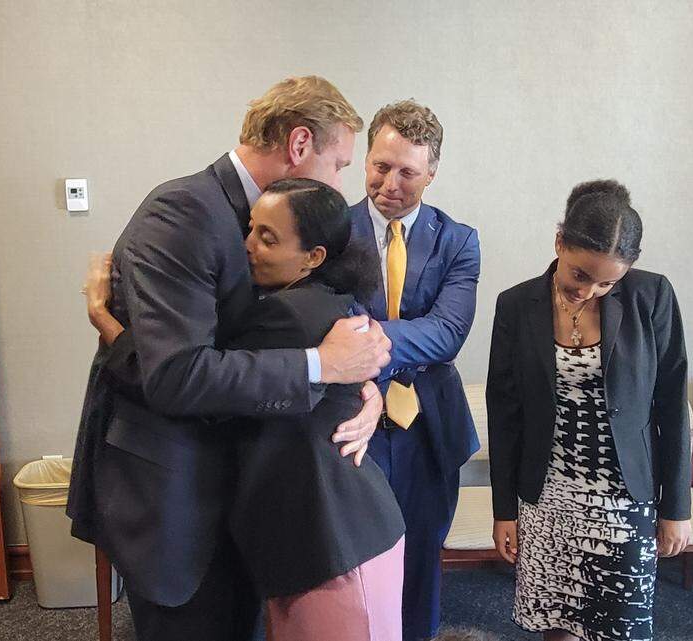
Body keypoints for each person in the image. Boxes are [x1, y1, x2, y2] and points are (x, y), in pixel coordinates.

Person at [66, 76, 392, 641]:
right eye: (338, 163)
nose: (341, 181)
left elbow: (323, 319)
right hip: (179, 496)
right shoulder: (181, 214)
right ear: (298, 145)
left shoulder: (283, 221)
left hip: (244, 486)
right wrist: (320, 367)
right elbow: (177, 374)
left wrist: (364, 383)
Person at [486, 180, 691, 641]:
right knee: (556, 626)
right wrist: (505, 510)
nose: (591, 290)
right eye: (580, 275)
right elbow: (505, 416)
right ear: (560, 242)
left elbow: (672, 407)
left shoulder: (651, 297)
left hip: (624, 497)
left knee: (621, 626)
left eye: (607, 282)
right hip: (547, 494)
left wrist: (676, 506)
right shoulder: (516, 305)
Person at [350, 100, 481, 641]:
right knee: (356, 560)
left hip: (429, 425)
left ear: (432, 171)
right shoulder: (331, 231)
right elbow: (324, 319)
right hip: (352, 419)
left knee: (422, 556)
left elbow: (448, 332)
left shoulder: (459, 240)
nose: (391, 183)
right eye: (381, 166)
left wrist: (365, 340)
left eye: (408, 171)